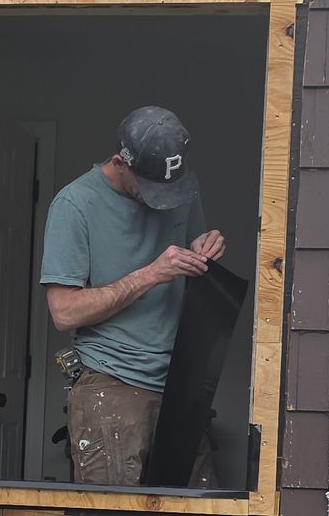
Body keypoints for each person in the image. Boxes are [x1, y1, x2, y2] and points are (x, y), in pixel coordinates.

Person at [40, 105, 226, 487]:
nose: (162, 199)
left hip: (180, 383)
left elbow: (188, 266)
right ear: (119, 163)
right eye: (151, 189)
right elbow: (64, 312)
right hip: (111, 380)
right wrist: (151, 274)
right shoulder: (75, 205)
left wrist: (203, 250)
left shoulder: (181, 191)